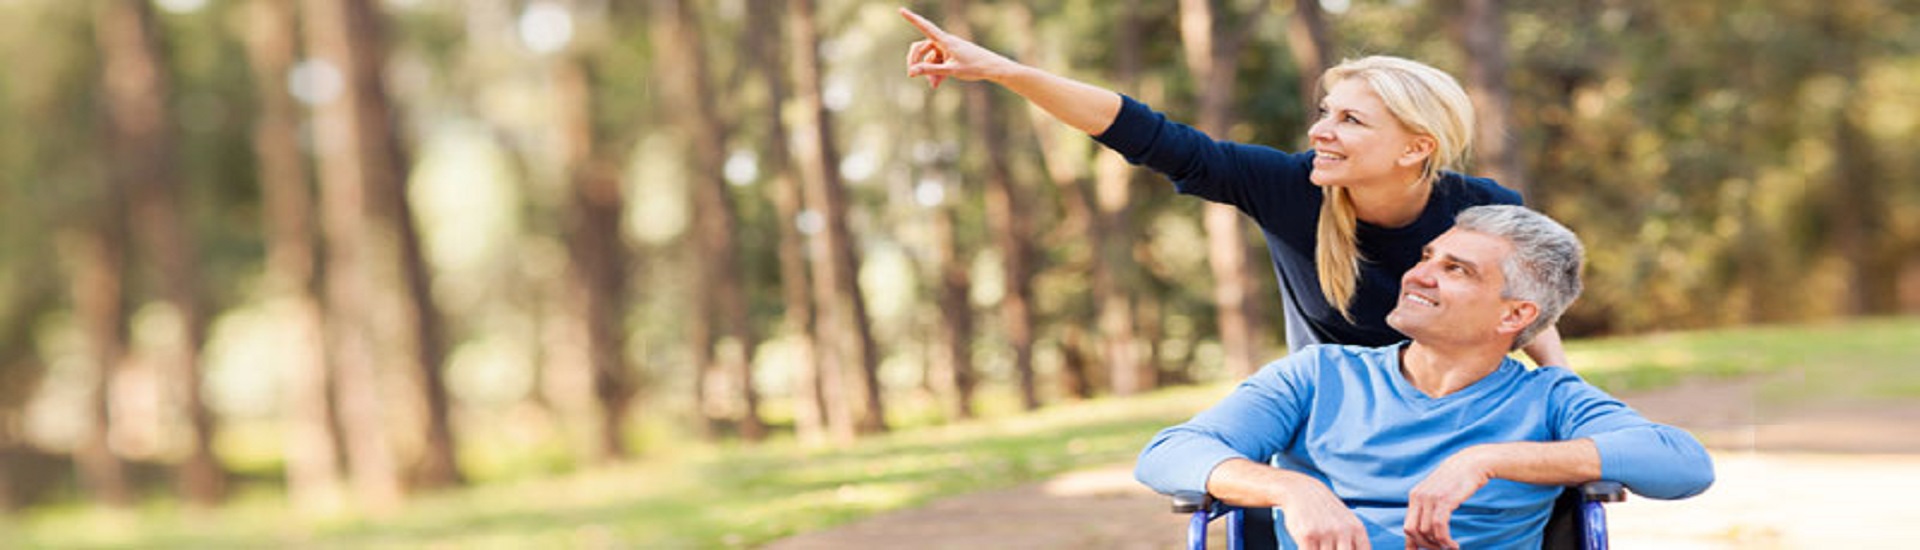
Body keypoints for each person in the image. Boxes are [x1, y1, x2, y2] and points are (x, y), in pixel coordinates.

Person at [898, 7, 1571, 368]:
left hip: (1459, 409)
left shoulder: (1483, 212)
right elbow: (1146, 133)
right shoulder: (1288, 188)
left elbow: (1528, 316)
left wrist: (1566, 398)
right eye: (1325, 113)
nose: (1319, 132)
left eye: (1350, 120)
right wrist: (1005, 72)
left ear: (1416, 147)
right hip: (1335, 429)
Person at [1133, 205, 1714, 549]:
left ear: (1515, 315)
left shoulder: (1550, 399)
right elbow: (1170, 451)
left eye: (1455, 269)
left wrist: (1488, 460)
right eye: (1428, 257)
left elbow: (1683, 464)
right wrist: (1294, 488)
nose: (1419, 275)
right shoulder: (1319, 374)